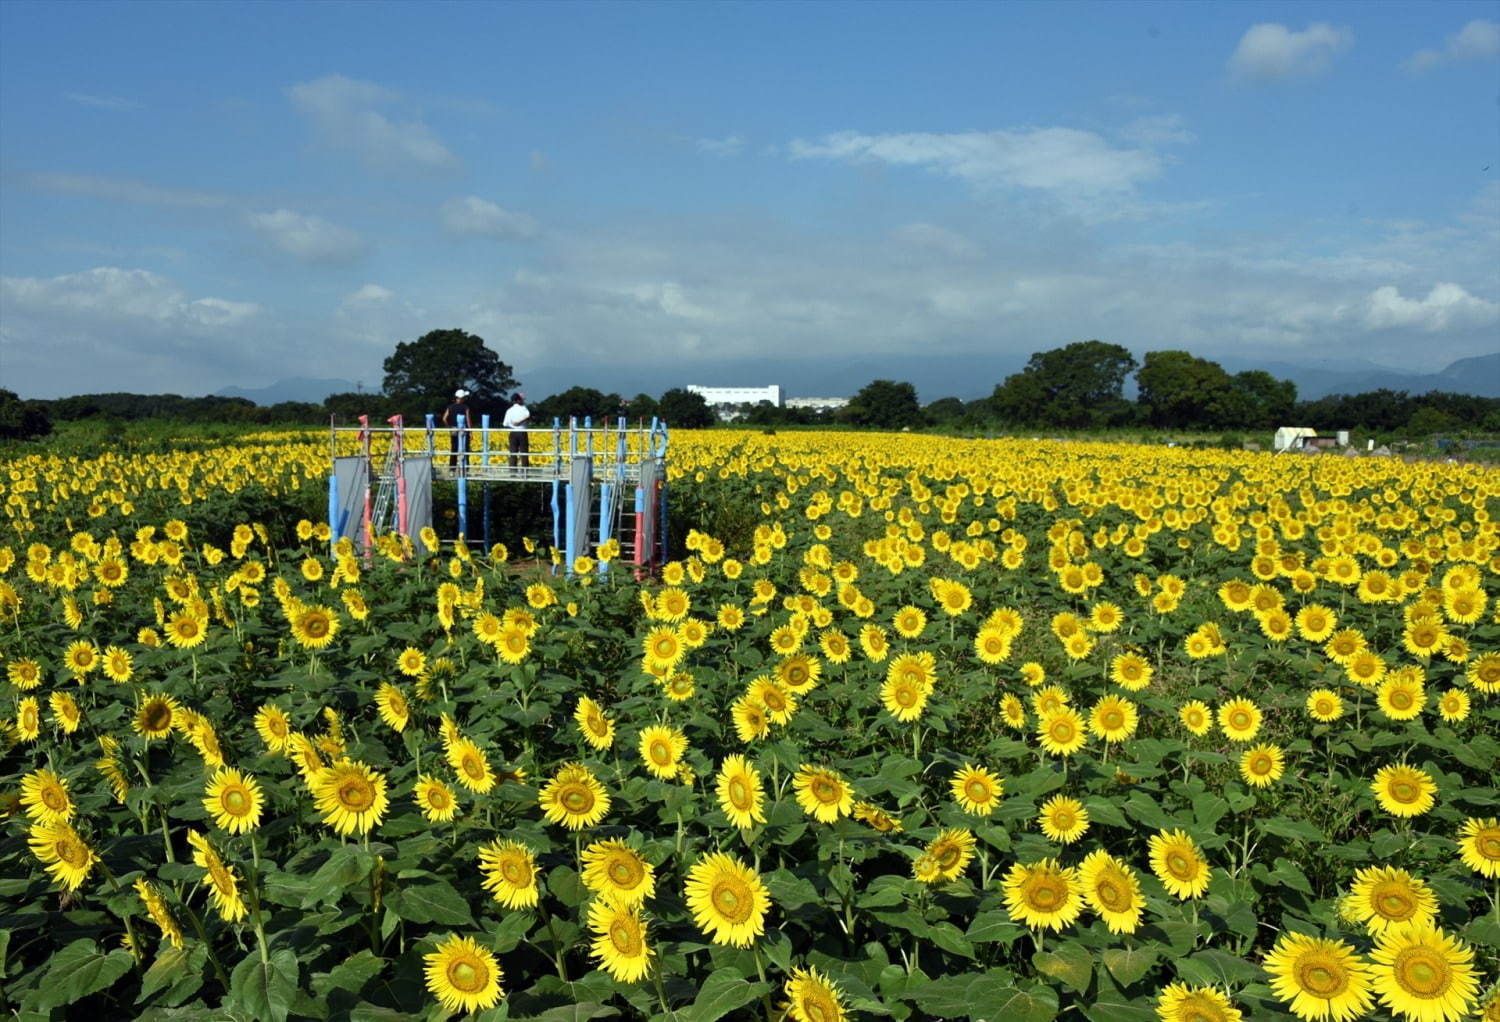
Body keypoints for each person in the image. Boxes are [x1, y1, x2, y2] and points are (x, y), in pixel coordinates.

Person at [442, 389, 471, 469]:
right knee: (465, 449)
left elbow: (444, 418)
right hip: (463, 430)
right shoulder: (465, 407)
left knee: (454, 449)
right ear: (462, 398)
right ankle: (466, 468)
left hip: (454, 429)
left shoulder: (450, 407)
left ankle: (452, 468)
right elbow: (468, 420)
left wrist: (449, 427)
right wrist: (471, 432)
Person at [502, 392, 530, 469]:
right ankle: (525, 472)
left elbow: (505, 423)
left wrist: (513, 425)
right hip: (522, 432)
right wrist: (519, 423)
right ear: (518, 400)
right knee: (524, 452)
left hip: (513, 432)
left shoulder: (509, 410)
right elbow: (528, 416)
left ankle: (513, 472)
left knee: (513, 452)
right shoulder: (524, 409)